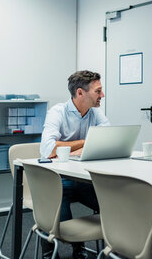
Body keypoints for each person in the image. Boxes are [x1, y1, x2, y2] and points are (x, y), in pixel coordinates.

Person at [39, 70, 109, 259]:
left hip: (85, 179)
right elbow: (48, 149)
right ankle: (55, 250)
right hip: (58, 179)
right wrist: (86, 141)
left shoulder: (96, 113)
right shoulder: (57, 112)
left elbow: (107, 139)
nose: (102, 95)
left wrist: (67, 147)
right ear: (80, 93)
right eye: (98, 91)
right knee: (57, 199)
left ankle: (119, 247)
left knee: (116, 199)